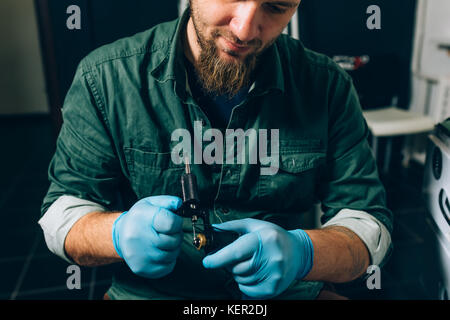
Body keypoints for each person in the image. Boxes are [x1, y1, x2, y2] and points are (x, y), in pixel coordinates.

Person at [38, 0, 393, 300]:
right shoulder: (105, 78)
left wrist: (304, 252)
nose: (245, 29)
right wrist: (116, 234)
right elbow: (62, 214)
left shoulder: (327, 85)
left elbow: (367, 225)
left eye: (275, 7)